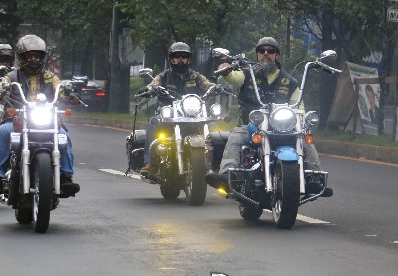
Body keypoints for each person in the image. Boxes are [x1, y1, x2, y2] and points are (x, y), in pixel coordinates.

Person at [205, 36, 329, 193]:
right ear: (257, 55)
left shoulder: (290, 82)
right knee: (235, 137)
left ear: (276, 56)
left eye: (270, 51)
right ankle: (226, 176)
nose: (266, 54)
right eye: (262, 51)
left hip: (283, 127)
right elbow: (233, 78)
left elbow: (299, 106)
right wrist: (226, 69)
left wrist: (302, 122)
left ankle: (315, 177)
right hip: (251, 125)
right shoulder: (247, 74)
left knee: (305, 139)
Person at [0, 34, 80, 197]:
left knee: (63, 136)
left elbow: (61, 91)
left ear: (42, 57)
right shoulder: (12, 76)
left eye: (37, 56)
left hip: (46, 121)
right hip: (17, 119)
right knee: (2, 132)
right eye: (30, 56)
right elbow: (1, 86)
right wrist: (0, 90)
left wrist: (69, 95)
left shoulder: (51, 77)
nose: (34, 59)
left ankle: (66, 176)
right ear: (22, 57)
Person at [139, 41, 215, 175]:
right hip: (168, 114)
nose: (180, 59)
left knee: (214, 127)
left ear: (188, 59)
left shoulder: (196, 77)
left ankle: (216, 163)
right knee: (153, 125)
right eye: (177, 56)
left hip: (193, 114)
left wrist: (217, 87)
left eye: (184, 56)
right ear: (171, 59)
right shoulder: (163, 76)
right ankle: (150, 163)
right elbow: (153, 84)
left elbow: (208, 85)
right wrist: (148, 89)